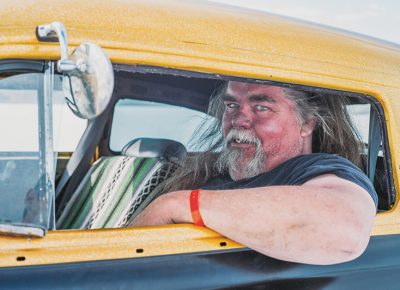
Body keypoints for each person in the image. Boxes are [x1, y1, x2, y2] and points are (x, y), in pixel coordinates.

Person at [129, 81, 377, 265]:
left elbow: (345, 230)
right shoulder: (210, 171)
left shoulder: (316, 170)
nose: (239, 120)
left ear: (307, 123)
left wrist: (178, 205)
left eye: (261, 107)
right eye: (231, 105)